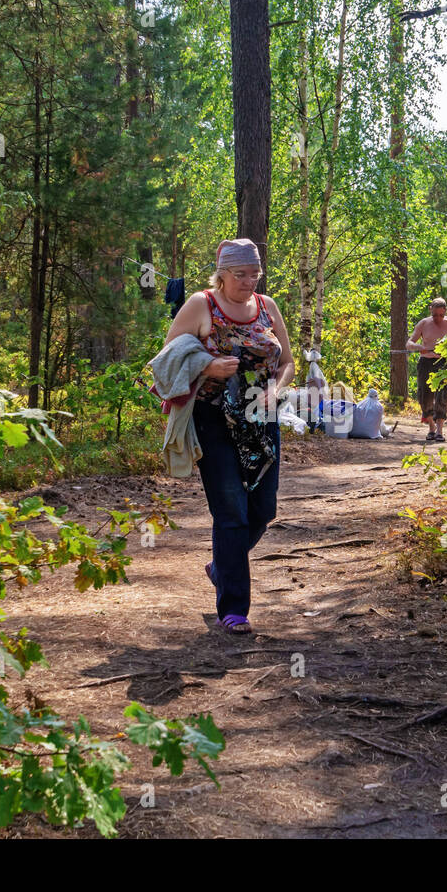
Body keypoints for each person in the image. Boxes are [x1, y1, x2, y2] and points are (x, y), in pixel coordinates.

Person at [162, 239, 296, 635]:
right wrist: (208, 366)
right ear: (221, 274)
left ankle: (221, 566)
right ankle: (234, 608)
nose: (249, 281)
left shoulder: (268, 306)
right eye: (241, 274)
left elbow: (287, 361)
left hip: (261, 418)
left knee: (263, 510)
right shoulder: (201, 306)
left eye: (255, 273)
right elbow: (169, 357)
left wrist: (277, 389)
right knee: (232, 512)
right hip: (213, 419)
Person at [406, 297, 447, 441]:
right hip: (426, 362)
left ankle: (440, 430)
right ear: (431, 310)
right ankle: (431, 426)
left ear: (446, 312)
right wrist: (419, 347)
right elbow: (409, 343)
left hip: (443, 363)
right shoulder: (424, 323)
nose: (438, 318)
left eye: (441, 315)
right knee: (425, 397)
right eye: (435, 315)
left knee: (442, 395)